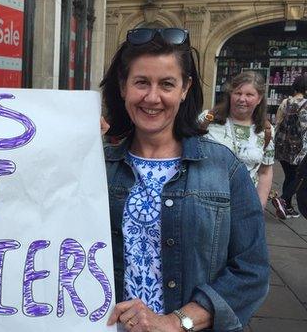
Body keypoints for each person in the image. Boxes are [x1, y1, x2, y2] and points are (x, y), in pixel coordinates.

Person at [101, 28, 268, 331]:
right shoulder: (100, 164)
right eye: (141, 82)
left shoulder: (223, 168)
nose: (152, 97)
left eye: (166, 84)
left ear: (185, 88)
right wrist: (76, 148)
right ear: (124, 87)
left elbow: (252, 271)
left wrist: (176, 322)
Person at [201, 71, 274, 210]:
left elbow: (265, 171)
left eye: (249, 95)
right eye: (237, 93)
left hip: (245, 205)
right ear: (230, 94)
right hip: (206, 203)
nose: (242, 99)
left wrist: (259, 205)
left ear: (259, 99)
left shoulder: (266, 131)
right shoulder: (207, 120)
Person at [271, 75, 307, 219]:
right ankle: (284, 199)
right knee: (299, 177)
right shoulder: (305, 104)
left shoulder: (285, 102)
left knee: (290, 175)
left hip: (282, 144)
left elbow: (278, 122)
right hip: (298, 147)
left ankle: (288, 207)